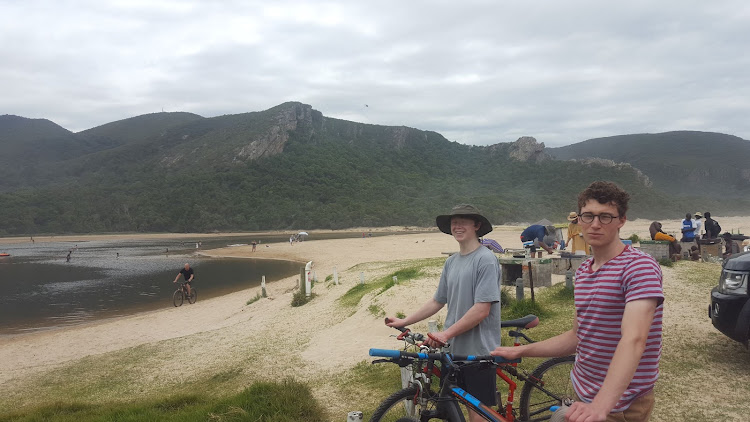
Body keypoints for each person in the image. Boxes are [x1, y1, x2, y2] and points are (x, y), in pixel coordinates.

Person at [493, 181, 663, 422]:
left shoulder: (639, 267)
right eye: (588, 216)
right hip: (582, 393)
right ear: (579, 220)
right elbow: (577, 336)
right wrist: (519, 351)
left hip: (619, 403)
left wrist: (601, 406)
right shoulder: (584, 272)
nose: (595, 224)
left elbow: (634, 339)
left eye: (605, 217)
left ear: (621, 220)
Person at [385, 204, 501, 422]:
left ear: (476, 225)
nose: (457, 226)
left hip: (477, 352)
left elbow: (482, 310)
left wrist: (445, 334)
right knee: (450, 410)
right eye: (454, 222)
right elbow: (438, 300)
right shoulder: (452, 262)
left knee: (477, 416)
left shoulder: (485, 259)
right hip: (452, 351)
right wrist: (405, 320)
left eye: (463, 221)